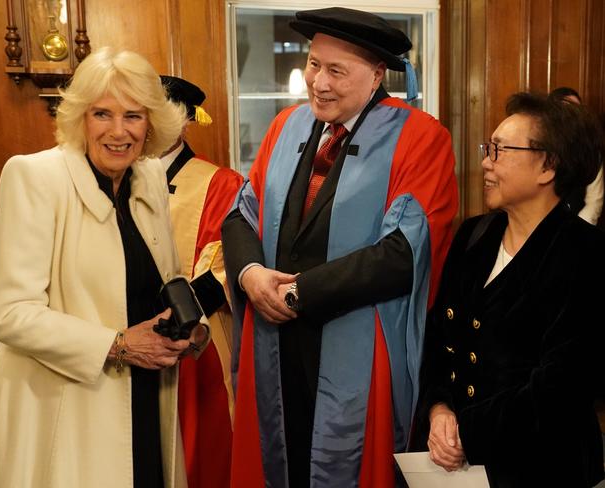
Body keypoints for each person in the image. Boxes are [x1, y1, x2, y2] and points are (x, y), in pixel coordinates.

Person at [221, 7, 458, 488]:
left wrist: (296, 294)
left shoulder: (418, 136)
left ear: (375, 75)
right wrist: (249, 274)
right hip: (277, 343)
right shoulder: (286, 127)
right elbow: (240, 214)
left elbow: (403, 252)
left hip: (354, 342)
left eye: (336, 71)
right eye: (313, 65)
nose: (318, 83)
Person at [0, 47, 209, 488]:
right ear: (80, 118)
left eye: (133, 116)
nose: (118, 131)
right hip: (62, 408)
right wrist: (117, 345)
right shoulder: (35, 177)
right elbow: (9, 313)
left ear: (152, 123)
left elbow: (166, 276)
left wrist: (187, 325)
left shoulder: (149, 175)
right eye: (103, 114)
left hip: (143, 397)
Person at [415, 92, 605, 487]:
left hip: (541, 468)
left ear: (548, 167)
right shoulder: (473, 236)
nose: (485, 161)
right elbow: (437, 337)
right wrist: (438, 410)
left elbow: (562, 386)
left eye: (499, 150)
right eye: (489, 148)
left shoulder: (586, 254)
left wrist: (467, 431)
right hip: (456, 468)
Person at [160, 76, 243, 488]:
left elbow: (226, 264)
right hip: (121, 334)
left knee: (199, 452)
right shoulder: (113, 177)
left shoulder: (220, 183)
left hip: (195, 335)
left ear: (181, 121)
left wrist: (177, 316)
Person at [549, 86, 604, 224]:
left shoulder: (590, 150)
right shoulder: (537, 146)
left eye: (576, 110)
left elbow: (594, 202)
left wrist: (575, 233)